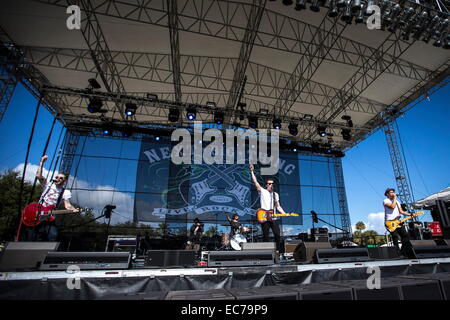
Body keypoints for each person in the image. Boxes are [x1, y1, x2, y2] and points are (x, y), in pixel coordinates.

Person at [23, 155, 78, 241]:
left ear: (65, 181)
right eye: (57, 177)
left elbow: (67, 205)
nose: (58, 178)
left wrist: (73, 209)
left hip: (49, 217)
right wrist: (41, 162)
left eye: (61, 178)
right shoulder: (48, 185)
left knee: (53, 235)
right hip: (38, 214)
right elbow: (38, 176)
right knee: (32, 237)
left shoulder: (65, 192)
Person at [249, 164, 287, 253]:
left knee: (277, 235)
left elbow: (278, 206)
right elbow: (255, 182)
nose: (271, 185)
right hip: (264, 217)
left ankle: (278, 251)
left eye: (272, 184)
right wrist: (251, 171)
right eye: (269, 183)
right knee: (265, 236)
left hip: (273, 217)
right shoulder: (263, 191)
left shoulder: (275, 194)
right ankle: (267, 253)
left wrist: (284, 213)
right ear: (266, 185)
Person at [383, 188, 414, 258]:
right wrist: (394, 198)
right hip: (390, 222)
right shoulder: (386, 200)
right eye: (391, 192)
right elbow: (392, 206)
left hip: (398, 221)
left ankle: (403, 252)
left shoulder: (397, 202)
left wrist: (410, 214)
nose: (393, 193)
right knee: (395, 237)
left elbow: (401, 212)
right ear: (387, 194)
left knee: (405, 236)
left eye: (393, 192)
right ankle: (396, 253)